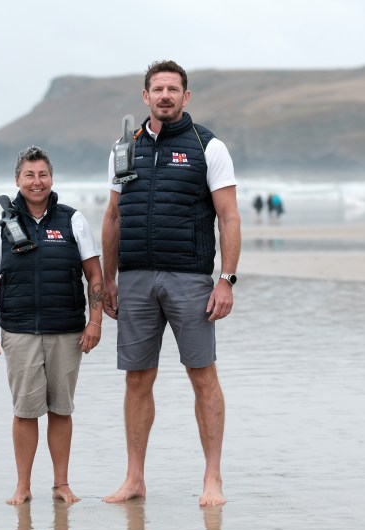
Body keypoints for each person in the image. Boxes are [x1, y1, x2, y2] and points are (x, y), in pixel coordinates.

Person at [102, 60, 241, 507]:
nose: (165, 95)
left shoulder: (208, 145)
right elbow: (113, 216)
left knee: (203, 376)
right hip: (136, 278)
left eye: (173, 89)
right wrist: (107, 278)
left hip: (190, 278)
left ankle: (212, 480)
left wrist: (226, 280)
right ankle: (134, 479)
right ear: (145, 96)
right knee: (137, 380)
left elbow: (229, 216)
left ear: (186, 96)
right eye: (157, 89)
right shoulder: (124, 147)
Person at [0, 146, 104, 505]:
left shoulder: (72, 220)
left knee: (61, 409)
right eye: (29, 175)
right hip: (19, 332)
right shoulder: (0, 226)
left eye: (43, 174)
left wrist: (95, 321)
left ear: (52, 178)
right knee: (25, 411)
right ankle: (23, 486)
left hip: (68, 331)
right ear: (18, 180)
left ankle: (61, 484)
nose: (37, 182)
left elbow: (94, 275)